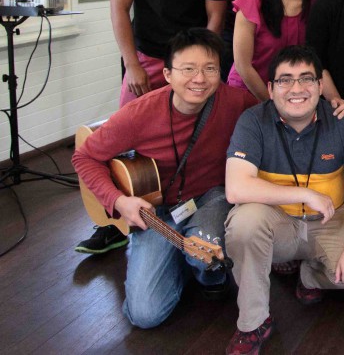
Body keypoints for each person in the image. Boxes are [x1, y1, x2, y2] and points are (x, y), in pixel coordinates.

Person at [72, 29, 257, 328]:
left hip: (210, 196)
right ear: (167, 74)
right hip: (155, 210)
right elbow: (84, 156)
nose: (199, 78)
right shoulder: (138, 114)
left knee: (206, 256)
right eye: (188, 69)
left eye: (210, 69)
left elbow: (273, 118)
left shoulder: (235, 101)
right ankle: (182, 257)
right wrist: (118, 200)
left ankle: (200, 266)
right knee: (145, 315)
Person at [89, 0, 231, 259]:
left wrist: (201, 63)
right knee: (120, 141)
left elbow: (215, 15)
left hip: (190, 59)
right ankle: (112, 220)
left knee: (187, 135)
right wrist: (131, 64)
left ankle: (179, 200)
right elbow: (119, 9)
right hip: (147, 58)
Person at [223, 46, 344, 354]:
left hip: (330, 218)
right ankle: (253, 322)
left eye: (307, 79)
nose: (297, 89)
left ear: (321, 86)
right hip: (277, 222)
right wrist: (305, 193)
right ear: (269, 89)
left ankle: (310, 275)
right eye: (285, 80)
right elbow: (236, 188)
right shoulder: (253, 121)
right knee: (243, 225)